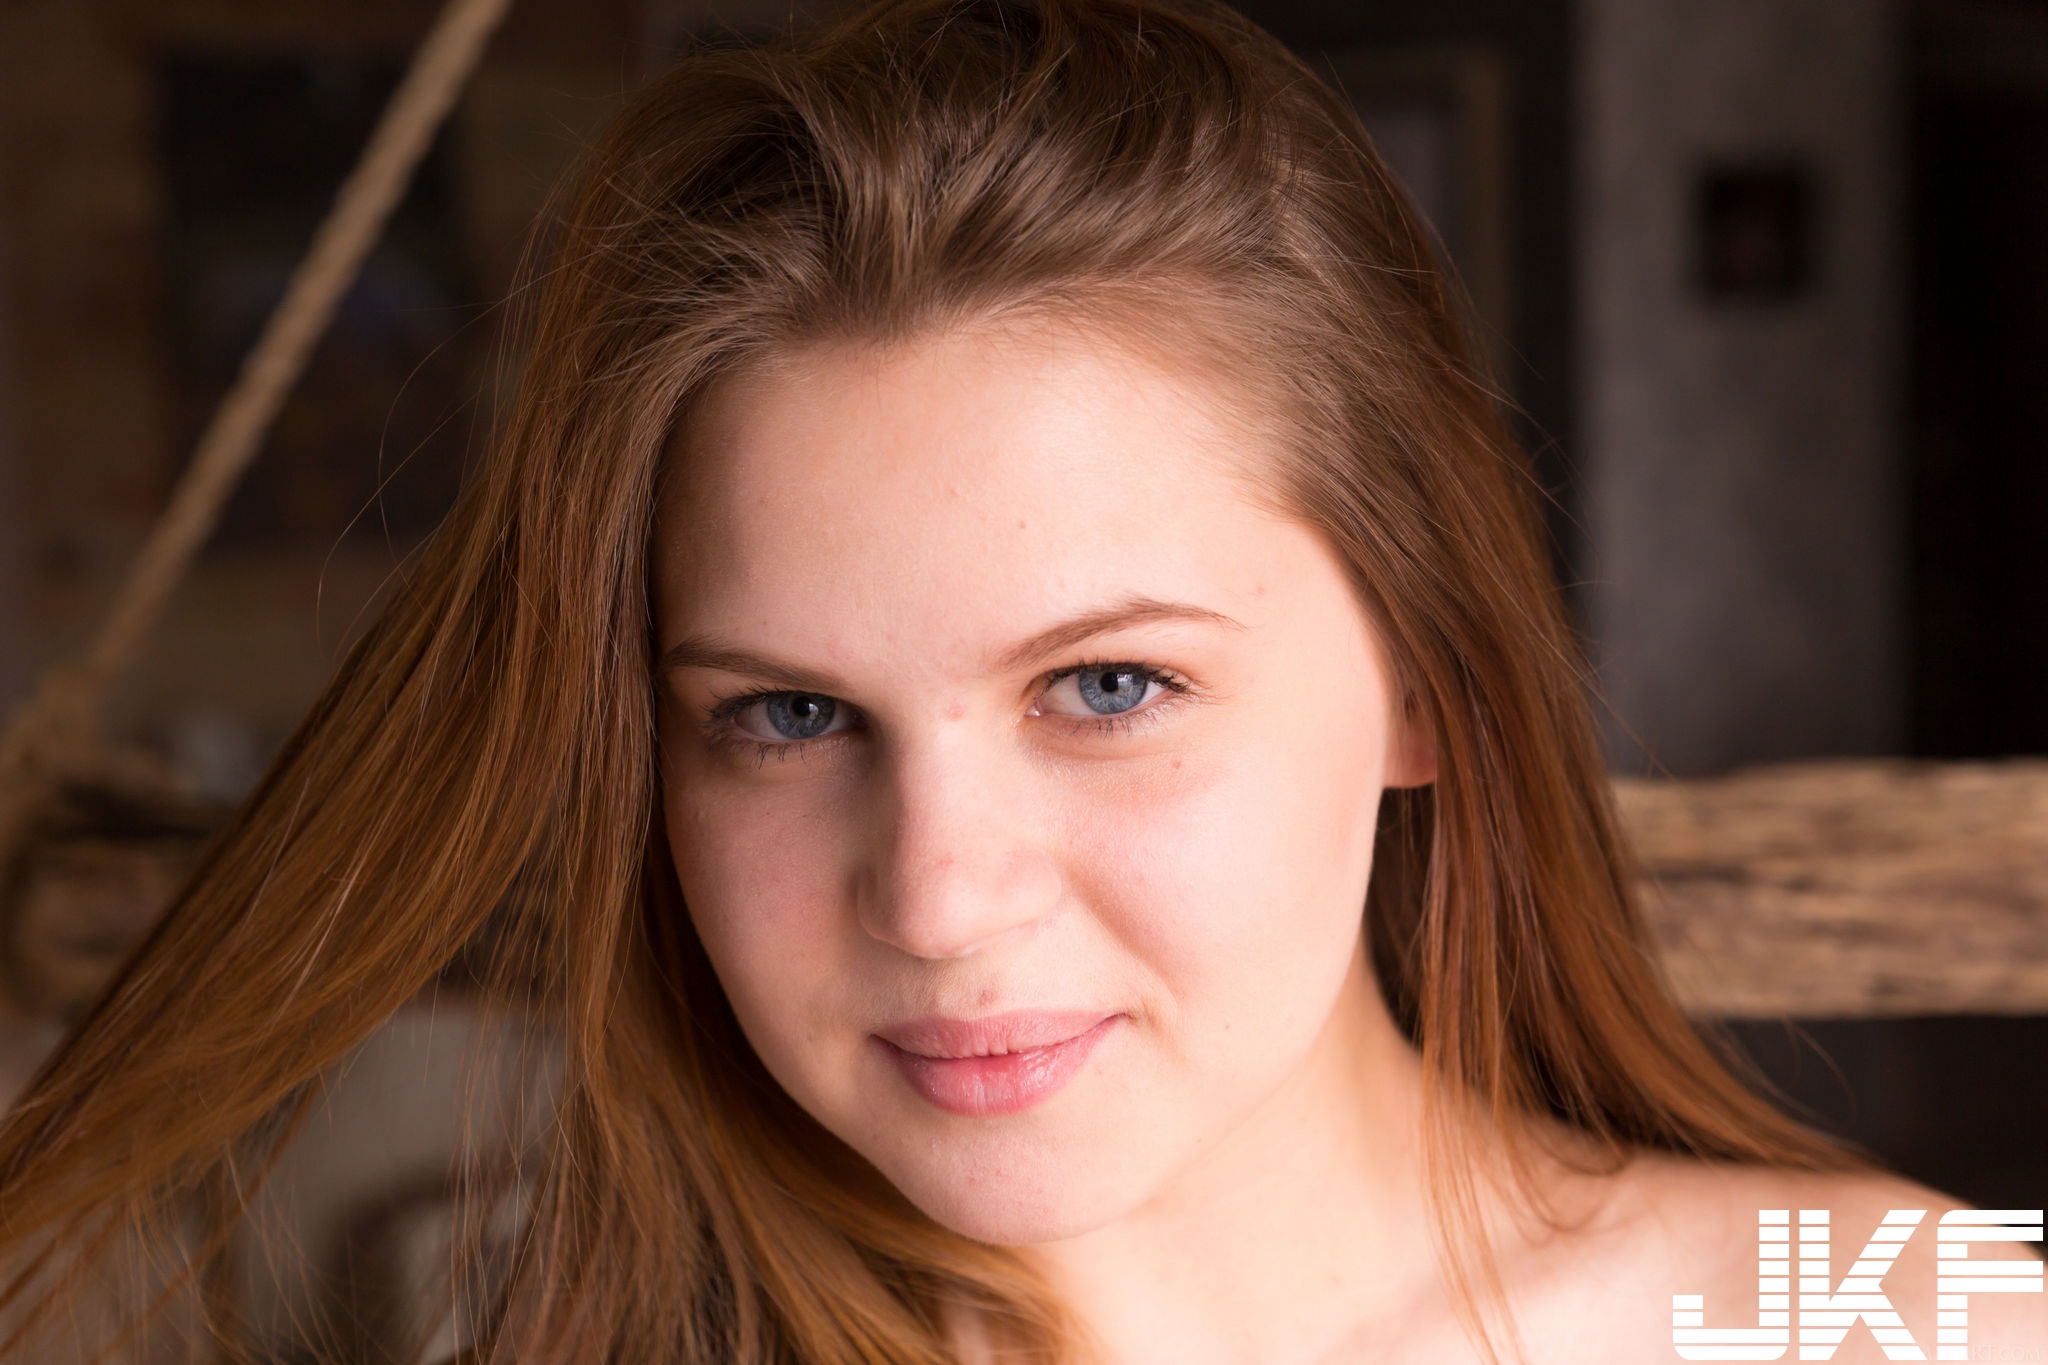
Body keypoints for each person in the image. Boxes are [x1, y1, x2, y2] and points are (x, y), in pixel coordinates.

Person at [2, 0, 2040, 1360]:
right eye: (788, 713)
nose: (939, 894)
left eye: (1109, 686)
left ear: (1426, 669)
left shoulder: (1912, 1316)